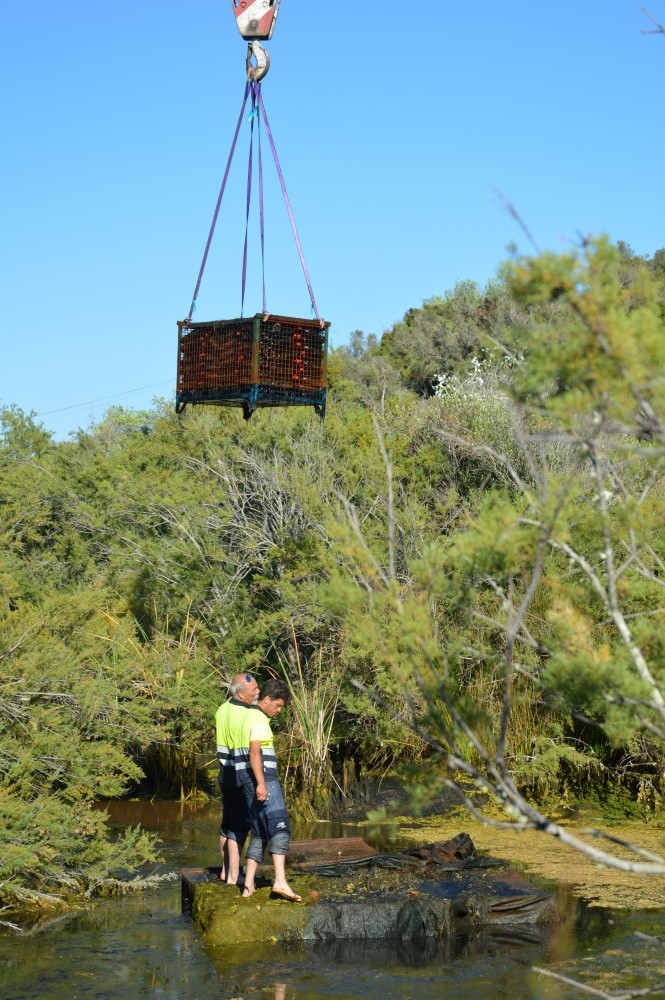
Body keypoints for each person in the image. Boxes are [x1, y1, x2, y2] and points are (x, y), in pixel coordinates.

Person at [240, 678, 301, 902]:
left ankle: (248, 885)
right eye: (278, 705)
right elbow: (255, 751)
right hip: (264, 778)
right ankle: (280, 881)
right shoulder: (258, 718)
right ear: (266, 700)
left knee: (260, 832)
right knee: (280, 825)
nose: (279, 710)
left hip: (248, 780)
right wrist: (262, 783)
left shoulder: (246, 715)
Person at [214, 671, 260, 884]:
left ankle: (225, 870)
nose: (258, 693)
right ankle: (234, 875)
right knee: (239, 824)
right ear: (241, 694)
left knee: (227, 821)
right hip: (241, 772)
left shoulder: (222, 709)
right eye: (254, 690)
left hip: (225, 771)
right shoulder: (248, 713)